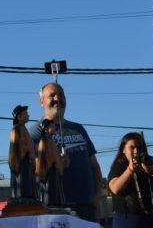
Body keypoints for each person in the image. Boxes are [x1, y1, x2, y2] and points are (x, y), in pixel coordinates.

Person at [29, 83, 102, 223]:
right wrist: (57, 166)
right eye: (52, 95)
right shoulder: (35, 132)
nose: (57, 98)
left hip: (87, 208)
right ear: (41, 101)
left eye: (61, 95)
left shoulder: (79, 129)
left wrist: (97, 195)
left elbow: (94, 165)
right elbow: (36, 170)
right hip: (57, 209)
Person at [108, 133, 153, 228]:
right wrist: (130, 170)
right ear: (123, 150)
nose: (136, 151)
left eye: (139, 147)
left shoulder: (151, 165)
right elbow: (115, 188)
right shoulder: (119, 166)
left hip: (152, 220)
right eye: (132, 147)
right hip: (127, 220)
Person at [35, 118, 65, 207]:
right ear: (46, 129)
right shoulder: (44, 141)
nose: (55, 128)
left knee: (56, 190)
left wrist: (61, 158)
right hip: (48, 170)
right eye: (52, 126)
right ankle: (50, 203)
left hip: (54, 170)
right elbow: (44, 157)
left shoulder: (51, 141)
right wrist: (55, 161)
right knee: (50, 191)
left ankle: (56, 203)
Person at [8, 105, 36, 199]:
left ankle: (28, 195)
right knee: (22, 182)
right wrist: (28, 150)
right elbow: (16, 146)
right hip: (20, 161)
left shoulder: (24, 129)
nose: (28, 115)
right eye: (26, 114)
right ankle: (22, 196)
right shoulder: (16, 129)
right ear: (19, 117)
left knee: (28, 182)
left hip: (27, 160)